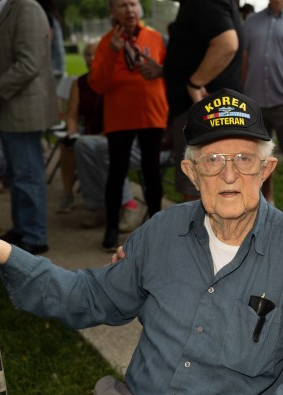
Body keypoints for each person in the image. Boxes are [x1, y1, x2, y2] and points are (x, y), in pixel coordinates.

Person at [0, 87, 283, 395]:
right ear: (191, 173)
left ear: (266, 169)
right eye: (212, 160)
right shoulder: (161, 231)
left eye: (243, 158)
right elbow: (88, 296)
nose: (228, 175)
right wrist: (4, 253)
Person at [90, 0, 168, 251]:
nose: (129, 10)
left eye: (133, 3)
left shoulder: (155, 38)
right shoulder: (105, 42)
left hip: (151, 113)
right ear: (112, 11)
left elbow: (167, 71)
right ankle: (112, 227)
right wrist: (113, 52)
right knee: (117, 171)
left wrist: (160, 71)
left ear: (140, 8)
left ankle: (156, 225)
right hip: (120, 115)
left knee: (152, 170)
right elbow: (97, 85)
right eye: (122, 5)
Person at [0, 0, 59, 254]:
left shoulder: (26, 7)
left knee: (28, 174)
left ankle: (35, 235)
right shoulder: (5, 9)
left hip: (24, 109)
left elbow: (29, 64)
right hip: (10, 108)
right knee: (18, 174)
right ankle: (22, 229)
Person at [163, 0, 243, 202]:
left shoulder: (201, 3)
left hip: (200, 110)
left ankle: (200, 234)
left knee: (197, 185)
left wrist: (195, 83)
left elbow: (227, 43)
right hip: (208, 109)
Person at [64, 42, 148, 231]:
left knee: (105, 147)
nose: (91, 59)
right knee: (80, 144)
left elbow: (127, 116)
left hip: (123, 139)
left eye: (95, 55)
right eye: (87, 55)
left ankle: (129, 205)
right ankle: (98, 206)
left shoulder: (117, 81)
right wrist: (71, 132)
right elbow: (71, 115)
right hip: (93, 139)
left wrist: (109, 133)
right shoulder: (81, 83)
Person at [242, 0, 283, 208]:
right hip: (254, 102)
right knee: (260, 155)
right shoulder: (251, 22)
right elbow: (244, 60)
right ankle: (267, 199)